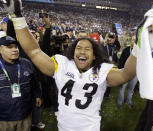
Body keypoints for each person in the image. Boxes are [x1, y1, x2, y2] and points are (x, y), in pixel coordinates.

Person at [3, 1, 136, 130]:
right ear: (73, 52)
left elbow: (126, 74)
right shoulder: (62, 64)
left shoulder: (102, 70)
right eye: (78, 48)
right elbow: (34, 51)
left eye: (87, 49)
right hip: (64, 127)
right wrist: (17, 16)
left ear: (95, 55)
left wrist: (139, 46)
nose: (82, 51)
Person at [0, 36, 42, 131]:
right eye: (9, 47)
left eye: (16, 47)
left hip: (25, 113)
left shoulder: (26, 63)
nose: (14, 50)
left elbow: (35, 81)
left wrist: (37, 95)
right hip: (3, 118)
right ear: (1, 49)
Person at [117, 35, 138, 108]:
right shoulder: (126, 50)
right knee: (122, 88)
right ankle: (120, 103)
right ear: (130, 41)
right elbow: (121, 62)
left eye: (135, 40)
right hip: (125, 73)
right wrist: (120, 71)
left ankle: (128, 101)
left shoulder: (140, 52)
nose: (134, 41)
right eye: (132, 40)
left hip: (135, 74)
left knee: (131, 89)